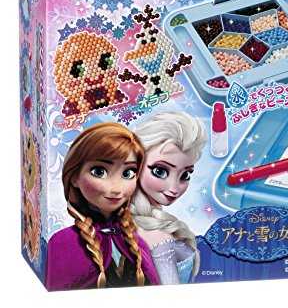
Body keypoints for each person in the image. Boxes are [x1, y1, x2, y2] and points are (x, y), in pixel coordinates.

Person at [45, 122, 160, 290]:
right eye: (99, 171)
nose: (116, 188)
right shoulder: (63, 243)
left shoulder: (136, 242)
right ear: (75, 176)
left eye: (128, 173)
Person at [131, 112, 207, 284]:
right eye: (160, 171)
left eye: (185, 175)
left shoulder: (135, 222)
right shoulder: (158, 240)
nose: (174, 188)